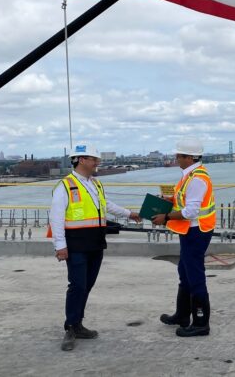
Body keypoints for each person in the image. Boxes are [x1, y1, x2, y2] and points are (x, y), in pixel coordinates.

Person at [49, 142, 141, 351]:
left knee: (87, 285)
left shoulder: (95, 184)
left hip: (95, 243)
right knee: (78, 286)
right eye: (94, 159)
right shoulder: (65, 186)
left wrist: (129, 214)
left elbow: (106, 205)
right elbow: (56, 218)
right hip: (76, 245)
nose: (97, 163)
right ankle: (70, 327)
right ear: (82, 160)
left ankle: (78, 323)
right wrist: (60, 246)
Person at [152, 137, 216, 337]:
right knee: (185, 271)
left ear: (189, 157)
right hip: (190, 230)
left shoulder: (196, 178)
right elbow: (184, 200)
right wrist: (169, 200)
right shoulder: (190, 175)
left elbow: (190, 211)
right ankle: (182, 315)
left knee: (195, 275)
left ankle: (200, 323)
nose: (176, 158)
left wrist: (166, 217)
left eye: (178, 155)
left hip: (197, 231)